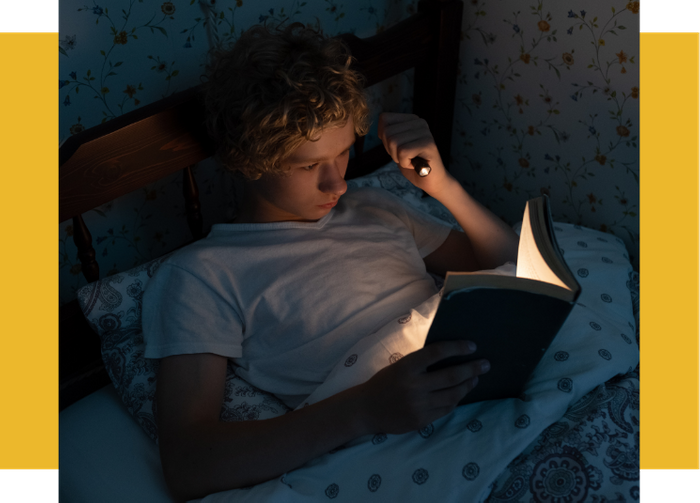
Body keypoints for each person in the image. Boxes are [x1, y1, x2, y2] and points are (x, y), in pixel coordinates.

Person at [142, 22, 519, 502]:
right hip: (401, 443)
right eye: (306, 165)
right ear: (247, 159)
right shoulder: (204, 274)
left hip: (484, 401)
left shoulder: (373, 206)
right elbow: (188, 463)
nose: (337, 183)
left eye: (343, 154)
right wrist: (364, 409)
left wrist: (443, 186)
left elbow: (514, 269)